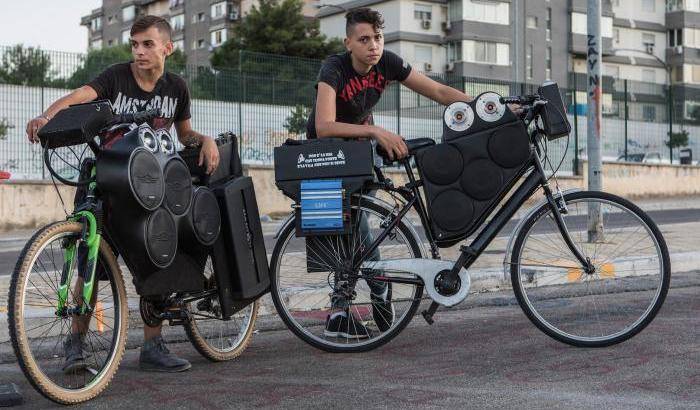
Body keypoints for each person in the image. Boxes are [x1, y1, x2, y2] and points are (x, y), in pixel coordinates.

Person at [26, 15, 219, 373]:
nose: (139, 52)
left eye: (147, 44)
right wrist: (45, 116)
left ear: (168, 47)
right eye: (135, 44)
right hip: (108, 182)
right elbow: (78, 97)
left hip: (150, 187)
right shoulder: (116, 76)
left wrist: (205, 140)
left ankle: (153, 346)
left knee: (157, 256)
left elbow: (184, 134)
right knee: (91, 261)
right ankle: (76, 345)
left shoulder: (176, 88)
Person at [306, 8, 479, 338]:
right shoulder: (334, 67)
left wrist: (488, 108)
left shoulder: (388, 63)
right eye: (364, 39)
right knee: (349, 227)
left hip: (359, 155)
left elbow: (440, 92)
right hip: (324, 157)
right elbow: (323, 126)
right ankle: (369, 293)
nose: (373, 45)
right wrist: (375, 132)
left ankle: (351, 306)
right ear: (349, 43)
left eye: (378, 38)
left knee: (357, 224)